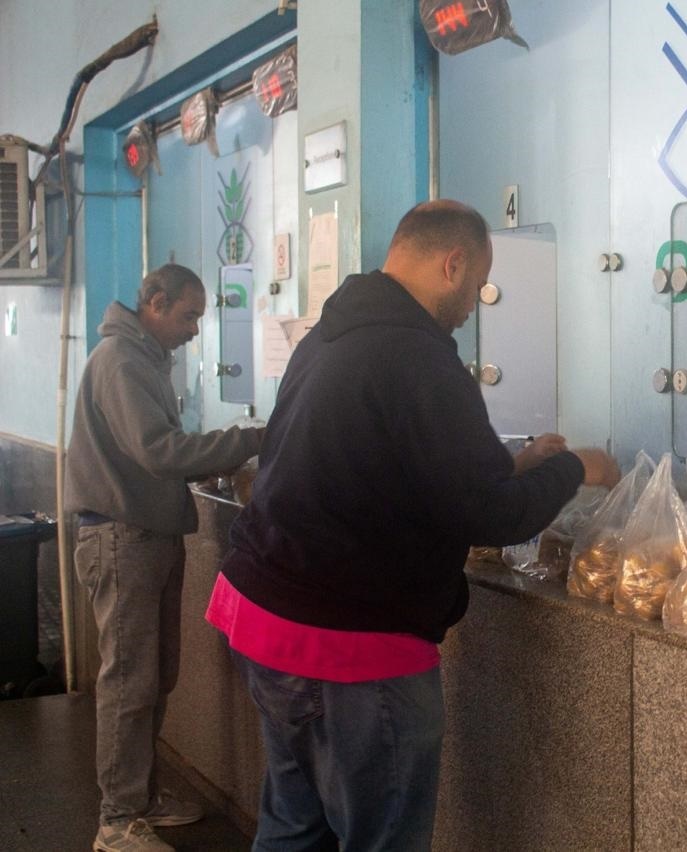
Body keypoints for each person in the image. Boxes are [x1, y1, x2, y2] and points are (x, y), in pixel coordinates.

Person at [206, 199, 620, 851]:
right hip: (351, 646)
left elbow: (397, 465)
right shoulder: (420, 357)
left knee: (293, 827)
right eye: (477, 286)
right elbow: (492, 516)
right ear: (452, 264)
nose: (474, 306)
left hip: (263, 618)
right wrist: (577, 468)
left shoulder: (329, 335)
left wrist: (516, 465)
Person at [66, 263, 266, 852]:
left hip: (147, 535)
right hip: (121, 538)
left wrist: (219, 457)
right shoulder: (121, 361)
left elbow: (154, 454)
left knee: (154, 677)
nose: (195, 329)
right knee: (130, 681)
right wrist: (251, 438)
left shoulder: (146, 360)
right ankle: (117, 821)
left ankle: (141, 796)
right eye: (189, 316)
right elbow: (159, 451)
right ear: (154, 302)